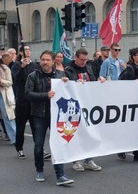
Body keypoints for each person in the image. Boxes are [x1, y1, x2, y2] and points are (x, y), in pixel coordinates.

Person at [25, 50, 73, 186]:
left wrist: (67, 83)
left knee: (58, 144)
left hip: (57, 115)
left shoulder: (60, 74)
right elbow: (28, 94)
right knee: (39, 144)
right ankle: (39, 170)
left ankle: (60, 174)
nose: (45, 62)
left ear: (53, 61)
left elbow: (70, 90)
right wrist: (45, 95)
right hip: (39, 114)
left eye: (47, 60)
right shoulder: (33, 76)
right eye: (42, 60)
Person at [63, 48, 103, 172]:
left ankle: (88, 159)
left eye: (86, 60)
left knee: (89, 132)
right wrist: (74, 82)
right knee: (76, 133)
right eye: (81, 60)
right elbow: (65, 86)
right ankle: (76, 160)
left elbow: (93, 81)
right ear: (75, 57)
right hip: (74, 106)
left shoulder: (88, 67)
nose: (83, 62)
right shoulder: (68, 70)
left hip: (88, 105)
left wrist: (100, 81)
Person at [117, 48, 138, 162]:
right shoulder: (130, 69)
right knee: (130, 128)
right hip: (131, 103)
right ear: (133, 57)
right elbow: (123, 83)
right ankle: (121, 147)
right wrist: (135, 81)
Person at [12, 45, 37, 158]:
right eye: (25, 49)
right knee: (21, 126)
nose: (28, 51)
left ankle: (39, 148)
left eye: (29, 49)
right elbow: (16, 78)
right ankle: (19, 148)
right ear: (21, 52)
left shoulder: (35, 65)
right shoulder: (16, 65)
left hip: (33, 100)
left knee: (36, 127)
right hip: (22, 100)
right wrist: (22, 67)